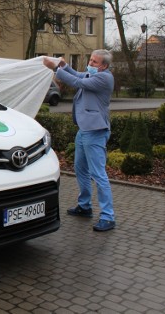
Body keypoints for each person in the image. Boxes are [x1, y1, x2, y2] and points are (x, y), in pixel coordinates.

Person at [43, 50, 116, 232]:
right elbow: (78, 74)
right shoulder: (94, 73)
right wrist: (64, 66)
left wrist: (55, 70)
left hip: (95, 131)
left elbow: (77, 82)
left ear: (104, 66)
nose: (90, 62)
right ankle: (85, 206)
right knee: (80, 169)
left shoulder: (104, 78)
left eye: (95, 61)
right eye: (90, 59)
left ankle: (108, 216)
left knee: (98, 174)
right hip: (83, 130)